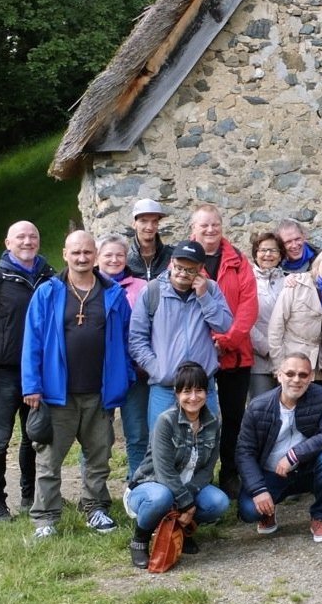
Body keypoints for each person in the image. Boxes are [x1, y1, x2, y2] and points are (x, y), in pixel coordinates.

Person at [22, 230, 131, 540]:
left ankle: (95, 509)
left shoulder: (113, 294)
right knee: (49, 460)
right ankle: (45, 518)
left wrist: (125, 379)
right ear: (64, 254)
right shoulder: (48, 293)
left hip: (100, 393)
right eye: (76, 253)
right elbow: (32, 341)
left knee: (99, 458)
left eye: (87, 252)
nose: (82, 258)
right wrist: (32, 385)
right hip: (58, 395)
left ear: (95, 255)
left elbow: (125, 340)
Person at [0, 220, 55, 522]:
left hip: (39, 373)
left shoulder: (49, 277)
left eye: (33, 236)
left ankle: (30, 496)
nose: (27, 241)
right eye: (21, 237)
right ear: (8, 243)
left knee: (35, 437)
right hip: (3, 372)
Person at [126, 362, 230, 568]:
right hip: (151, 485)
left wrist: (187, 500)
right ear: (176, 393)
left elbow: (208, 469)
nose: (193, 397)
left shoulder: (213, 423)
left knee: (219, 502)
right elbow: (163, 471)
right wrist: (187, 503)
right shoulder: (165, 421)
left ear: (206, 392)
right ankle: (140, 539)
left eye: (199, 390)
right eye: (187, 391)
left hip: (187, 487)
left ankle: (181, 528)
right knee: (161, 497)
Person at [190, 204, 258, 497]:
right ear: (193, 229)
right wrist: (211, 340)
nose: (210, 230)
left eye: (215, 225)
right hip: (198, 355)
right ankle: (196, 477)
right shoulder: (184, 261)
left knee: (233, 419)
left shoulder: (238, 261)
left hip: (235, 354)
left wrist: (227, 339)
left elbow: (248, 306)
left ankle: (230, 474)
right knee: (197, 419)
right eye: (204, 225)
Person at [236, 352, 322, 542]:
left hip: (306, 469)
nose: (296, 380)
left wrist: (294, 455)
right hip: (271, 473)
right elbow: (244, 453)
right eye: (290, 374)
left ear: (311, 378)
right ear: (279, 375)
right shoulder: (257, 406)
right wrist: (259, 490)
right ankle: (269, 509)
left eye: (303, 375)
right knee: (249, 511)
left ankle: (321, 518)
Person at [127, 239, 233, 421]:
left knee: (206, 444)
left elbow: (224, 325)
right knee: (162, 446)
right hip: (166, 387)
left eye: (190, 270)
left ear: (200, 268)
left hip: (202, 386)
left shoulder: (211, 289)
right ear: (172, 263)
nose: (182, 274)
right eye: (178, 267)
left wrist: (204, 297)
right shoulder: (152, 291)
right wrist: (157, 369)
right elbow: (137, 339)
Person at [97, 232, 149, 481]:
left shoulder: (141, 287)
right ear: (98, 258)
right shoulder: (90, 286)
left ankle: (137, 483)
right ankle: (93, 492)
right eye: (108, 255)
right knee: (97, 435)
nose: (114, 259)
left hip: (134, 370)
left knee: (137, 432)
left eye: (119, 254)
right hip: (100, 372)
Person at [268, 246, 322, 382]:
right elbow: (276, 328)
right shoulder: (296, 284)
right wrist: (279, 367)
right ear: (319, 262)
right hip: (292, 365)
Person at [248, 232, 287, 400]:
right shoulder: (247, 281)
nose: (268, 255)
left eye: (273, 250)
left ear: (280, 255)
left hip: (287, 359)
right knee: (261, 409)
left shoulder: (289, 282)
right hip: (259, 360)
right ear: (256, 253)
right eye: (263, 250)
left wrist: (283, 352)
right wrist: (268, 349)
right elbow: (245, 321)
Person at [127, 198, 173, 280]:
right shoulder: (124, 258)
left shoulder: (172, 255)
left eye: (154, 221)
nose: (149, 227)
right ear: (134, 224)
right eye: (143, 221)